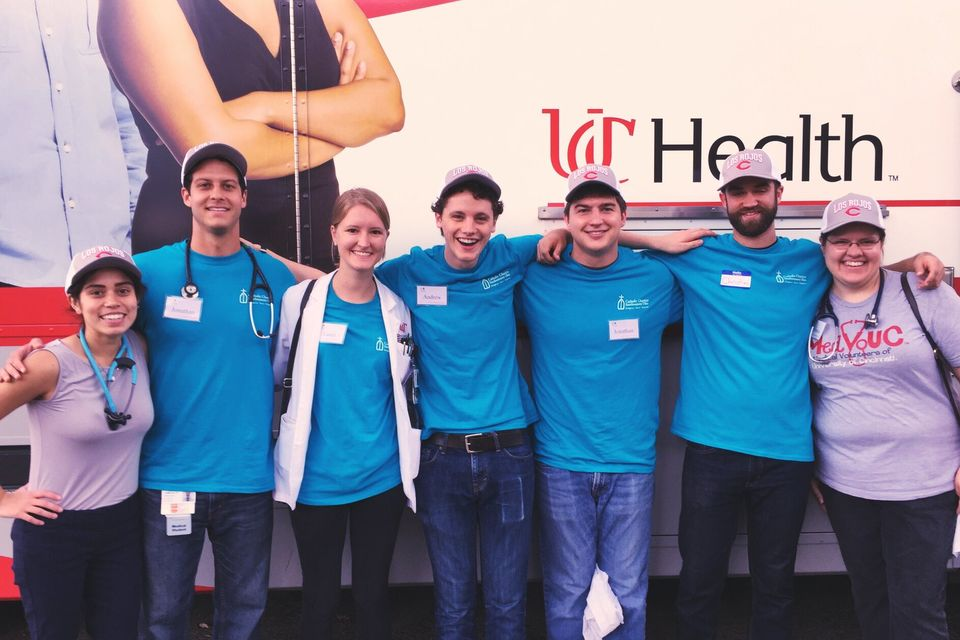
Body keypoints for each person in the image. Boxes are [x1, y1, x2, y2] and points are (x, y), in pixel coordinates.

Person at [600, 148, 943, 640]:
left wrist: (918, 260)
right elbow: (602, 243)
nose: (750, 199)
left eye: (759, 189)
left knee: (776, 583)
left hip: (787, 452)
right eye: (738, 191)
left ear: (778, 194)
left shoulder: (810, 257)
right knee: (698, 578)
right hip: (711, 448)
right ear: (723, 200)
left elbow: (865, 264)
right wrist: (568, 231)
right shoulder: (698, 255)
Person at [130, 141, 296, 639]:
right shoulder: (148, 272)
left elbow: (331, 297)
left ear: (244, 197)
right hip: (170, 475)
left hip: (246, 477)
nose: (216, 194)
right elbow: (96, 326)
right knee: (162, 613)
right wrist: (38, 353)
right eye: (204, 185)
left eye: (228, 185)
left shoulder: (276, 276)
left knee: (243, 610)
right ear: (185, 195)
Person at [98, 0, 404, 270]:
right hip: (196, 256)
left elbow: (388, 109)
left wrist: (263, 107)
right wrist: (344, 130)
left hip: (314, 248)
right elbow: (217, 150)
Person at [517, 165, 683, 639]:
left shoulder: (655, 280)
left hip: (631, 460)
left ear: (623, 216)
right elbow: (473, 269)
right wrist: (550, 235)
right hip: (559, 461)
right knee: (567, 589)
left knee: (628, 589)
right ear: (566, 218)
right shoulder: (535, 279)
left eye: (606, 208)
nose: (595, 218)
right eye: (582, 209)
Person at [808, 193, 960, 640]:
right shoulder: (811, 304)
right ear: (824, 246)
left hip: (923, 485)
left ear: (882, 244)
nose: (854, 251)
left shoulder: (923, 293)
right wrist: (808, 462)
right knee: (871, 605)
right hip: (846, 486)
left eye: (866, 240)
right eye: (841, 240)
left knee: (917, 613)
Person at [272, 188, 420, 640]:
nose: (364, 240)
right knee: (319, 597)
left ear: (386, 238)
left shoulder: (397, 309)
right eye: (353, 229)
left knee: (373, 596)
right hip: (316, 479)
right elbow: (279, 374)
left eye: (375, 231)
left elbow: (407, 383)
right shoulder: (300, 302)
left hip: (381, 478)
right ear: (334, 234)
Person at [0, 246, 152, 639]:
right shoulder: (46, 364)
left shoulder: (140, 347)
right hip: (55, 531)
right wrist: (5, 500)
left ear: (137, 298)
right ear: (75, 301)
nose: (112, 302)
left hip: (122, 527)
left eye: (123, 290)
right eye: (96, 292)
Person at [0, 0, 147, 287]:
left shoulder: (106, 6)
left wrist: (131, 222)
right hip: (12, 268)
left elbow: (131, 124)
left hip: (109, 258)